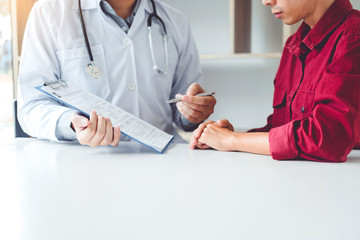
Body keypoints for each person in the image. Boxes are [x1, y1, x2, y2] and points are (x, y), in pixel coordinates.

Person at [18, 0, 216, 147]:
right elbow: (31, 107)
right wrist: (72, 123)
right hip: (84, 166)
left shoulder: (175, 21)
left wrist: (192, 113)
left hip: (162, 161)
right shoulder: (49, 13)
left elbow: (182, 106)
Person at [191, 0, 360, 162]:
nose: (265, 2)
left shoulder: (354, 35)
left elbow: (329, 139)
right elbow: (283, 128)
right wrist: (226, 138)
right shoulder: (292, 45)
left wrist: (234, 140)